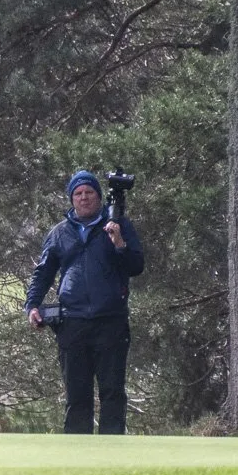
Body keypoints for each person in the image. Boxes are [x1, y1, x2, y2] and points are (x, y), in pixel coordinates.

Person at [24, 169, 145, 434]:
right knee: (77, 396)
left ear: (99, 197)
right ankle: (76, 458)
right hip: (72, 323)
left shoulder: (119, 226)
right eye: (78, 194)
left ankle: (111, 455)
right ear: (71, 199)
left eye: (89, 192)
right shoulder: (59, 233)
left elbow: (136, 266)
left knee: (112, 392)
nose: (84, 198)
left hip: (111, 321)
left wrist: (120, 244)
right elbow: (43, 273)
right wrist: (32, 305)